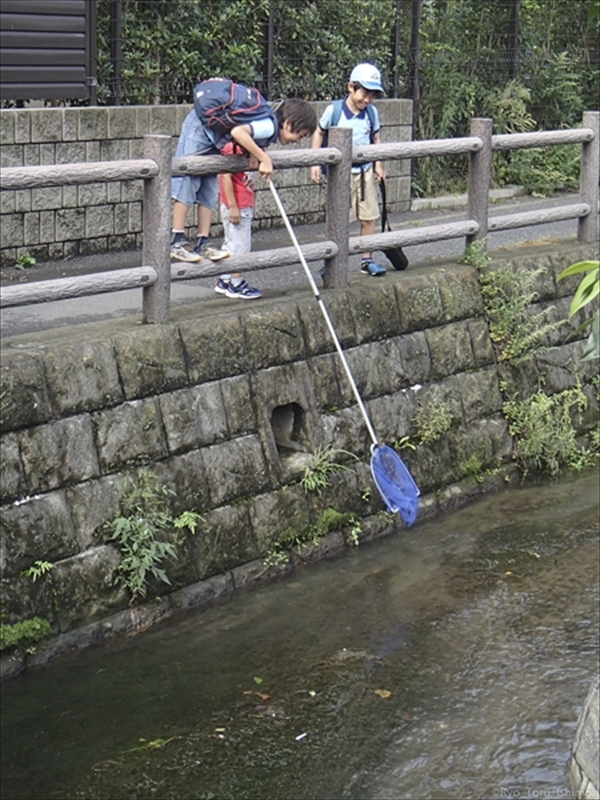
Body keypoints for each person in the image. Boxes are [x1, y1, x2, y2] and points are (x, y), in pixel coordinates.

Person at [170, 94, 317, 264]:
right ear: (288, 124)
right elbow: (238, 132)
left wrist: (255, 153)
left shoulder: (268, 125)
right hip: (201, 126)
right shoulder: (269, 126)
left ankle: (203, 241)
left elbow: (244, 133)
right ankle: (177, 240)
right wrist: (264, 158)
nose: (298, 141)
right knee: (189, 180)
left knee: (209, 187)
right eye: (300, 136)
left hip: (214, 135)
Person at [310, 63, 387, 277]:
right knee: (339, 217)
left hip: (365, 171)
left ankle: (366, 259)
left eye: (372, 95)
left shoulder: (371, 112)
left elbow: (376, 139)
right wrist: (315, 161)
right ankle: (332, 262)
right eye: (364, 92)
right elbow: (318, 132)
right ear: (351, 87)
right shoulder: (334, 110)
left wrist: (379, 164)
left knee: (368, 217)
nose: (367, 99)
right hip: (340, 174)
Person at [214, 142, 262, 299]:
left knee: (231, 242)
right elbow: (225, 177)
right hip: (238, 205)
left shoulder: (238, 147)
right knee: (241, 245)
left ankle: (225, 277)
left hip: (236, 201)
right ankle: (236, 282)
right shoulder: (233, 148)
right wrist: (233, 206)